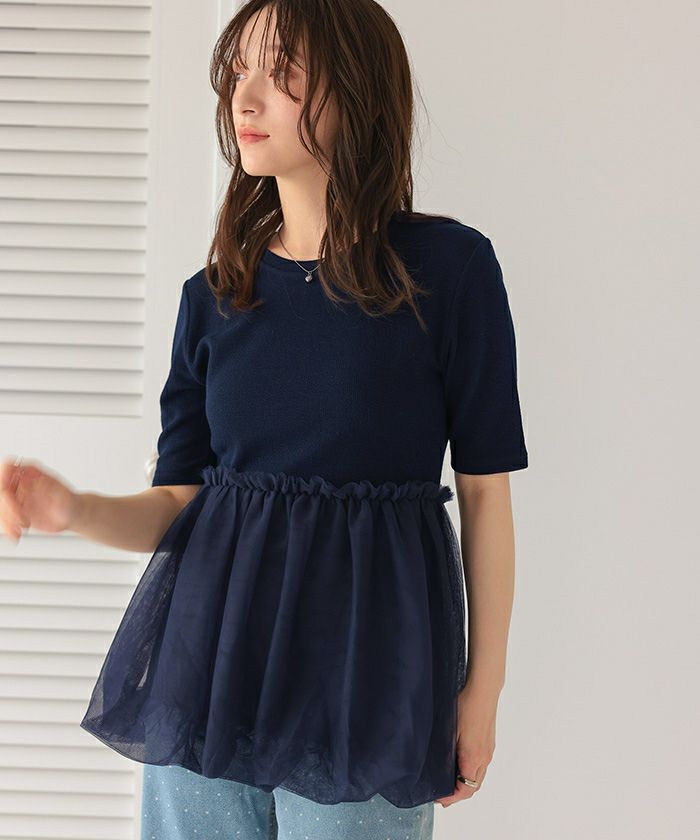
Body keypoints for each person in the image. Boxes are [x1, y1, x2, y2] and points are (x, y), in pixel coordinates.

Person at [0, 1, 529, 838]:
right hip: (209, 671)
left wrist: (482, 690)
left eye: (280, 72)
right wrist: (73, 511)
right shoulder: (214, 298)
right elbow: (178, 505)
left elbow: (486, 495)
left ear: (355, 87)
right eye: (237, 72)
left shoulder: (448, 271)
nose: (244, 99)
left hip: (368, 682)